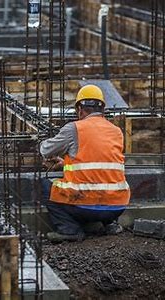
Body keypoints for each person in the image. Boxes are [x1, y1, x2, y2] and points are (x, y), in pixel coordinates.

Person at [40, 84, 130, 242]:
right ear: (102, 109)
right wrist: (64, 164)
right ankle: (110, 225)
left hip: (84, 206)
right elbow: (100, 161)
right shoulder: (116, 131)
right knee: (109, 182)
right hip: (117, 206)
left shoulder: (74, 128)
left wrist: (42, 143)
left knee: (45, 185)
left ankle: (70, 230)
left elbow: (46, 150)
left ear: (80, 109)